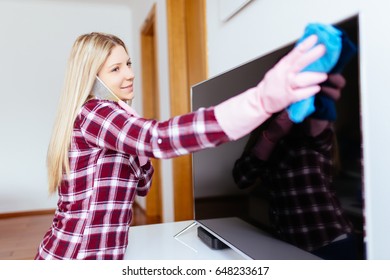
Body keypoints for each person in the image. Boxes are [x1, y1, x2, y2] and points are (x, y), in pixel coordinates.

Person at [34, 32, 327, 260]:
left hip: (102, 253)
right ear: (93, 80)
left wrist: (134, 131)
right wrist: (259, 101)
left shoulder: (113, 120)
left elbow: (142, 185)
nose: (130, 74)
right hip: (75, 257)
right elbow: (157, 140)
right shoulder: (96, 112)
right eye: (115, 69)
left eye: (129, 63)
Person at [232, 74, 357, 259]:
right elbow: (242, 177)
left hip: (331, 243)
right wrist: (270, 137)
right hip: (290, 246)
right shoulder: (267, 135)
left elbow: (320, 132)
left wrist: (317, 99)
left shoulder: (313, 132)